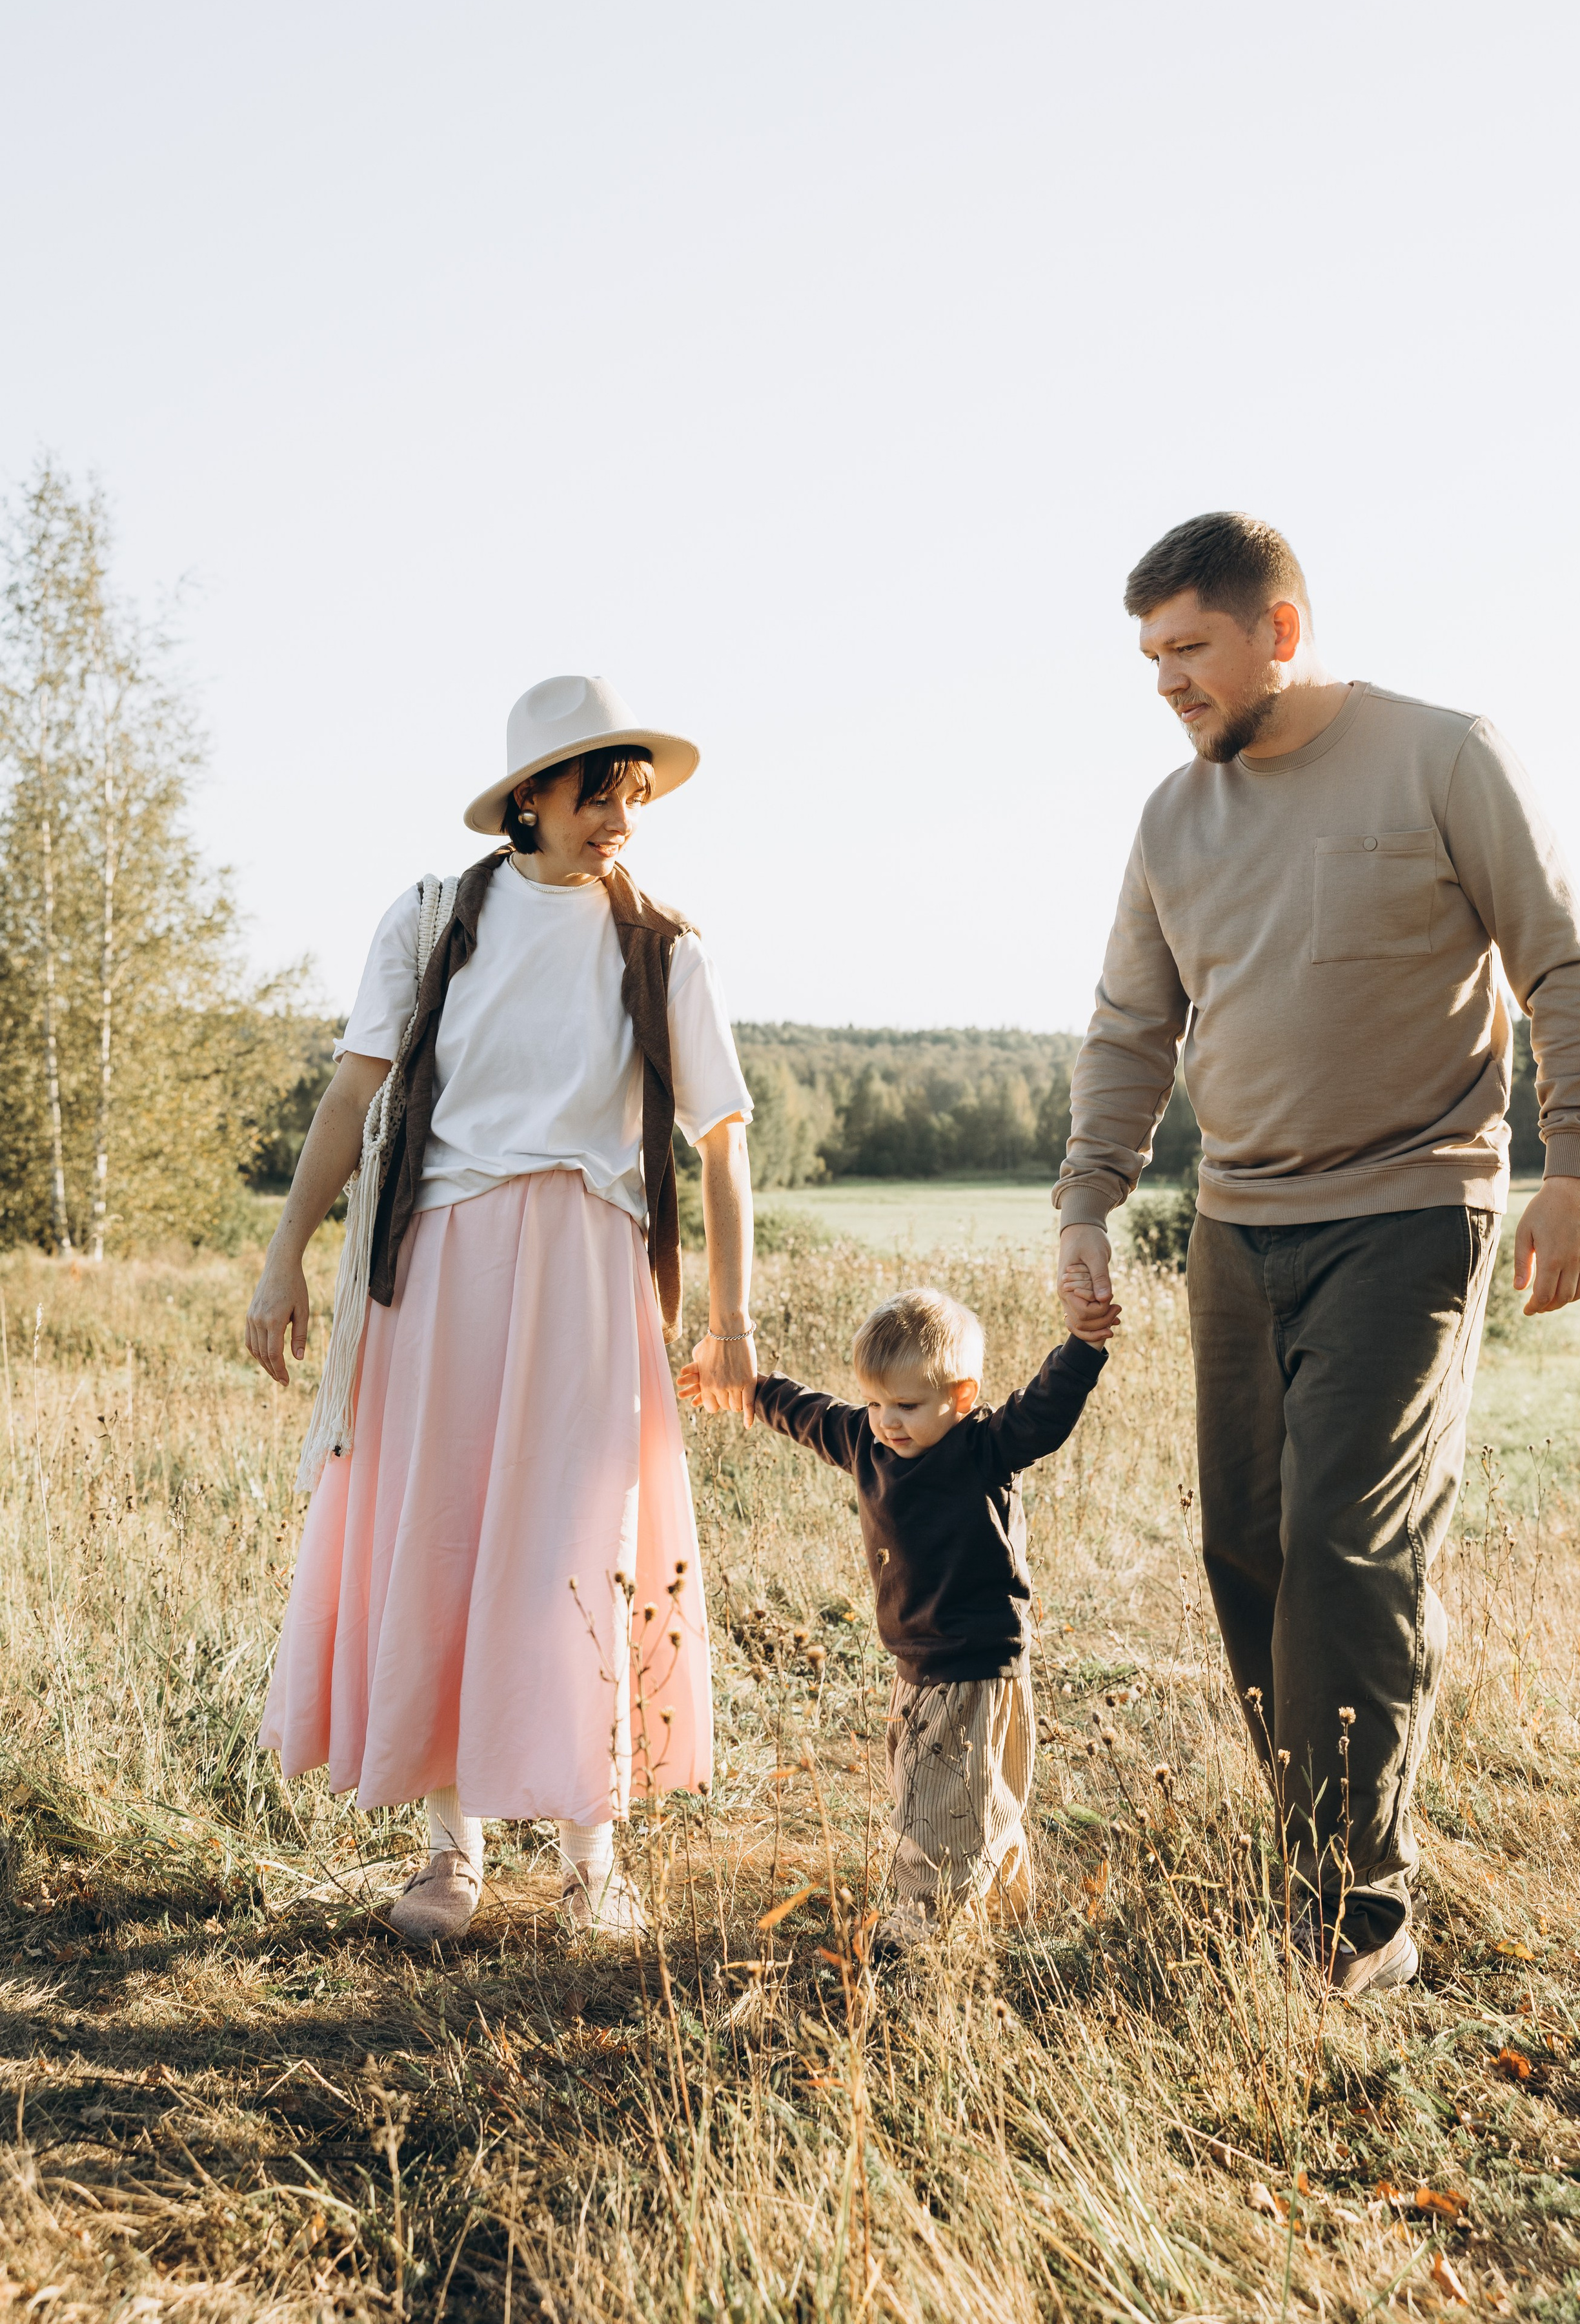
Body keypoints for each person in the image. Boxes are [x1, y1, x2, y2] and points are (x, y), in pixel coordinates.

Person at [1057, 513, 1580, 1997]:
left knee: (1346, 1550)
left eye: (1188, 647)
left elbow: (1563, 964)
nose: (1166, 682)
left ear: (1279, 630)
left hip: (1405, 1211)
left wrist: (1571, 1165)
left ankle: (1352, 1908)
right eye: (1148, 656)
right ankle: (1323, 1823)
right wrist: (1085, 1199)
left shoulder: (1443, 755)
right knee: (1243, 1547)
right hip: (1236, 1227)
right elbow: (1130, 1025)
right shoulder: (1170, 819)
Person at [247, 676, 759, 1943]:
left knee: (588, 1540)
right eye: (599, 792)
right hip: (440, 1269)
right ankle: (446, 1855)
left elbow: (722, 1141)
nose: (621, 819)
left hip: (591, 1271)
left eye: (634, 797)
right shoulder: (430, 923)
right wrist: (283, 1256)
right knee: (443, 1535)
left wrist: (731, 1324)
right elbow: (351, 1103)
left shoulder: (665, 947)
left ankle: (595, 1857)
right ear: (529, 796)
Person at [680, 1284, 1115, 1940]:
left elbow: (1046, 1411)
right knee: (971, 1798)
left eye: (907, 1405)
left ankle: (916, 1929)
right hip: (916, 1664)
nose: (887, 1420)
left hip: (973, 1662)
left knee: (933, 1806)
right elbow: (807, 1412)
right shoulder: (866, 1440)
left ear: (959, 1397)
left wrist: (1083, 1345)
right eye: (877, 1401)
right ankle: (1002, 1911)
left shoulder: (983, 1447)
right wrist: (747, 1386)